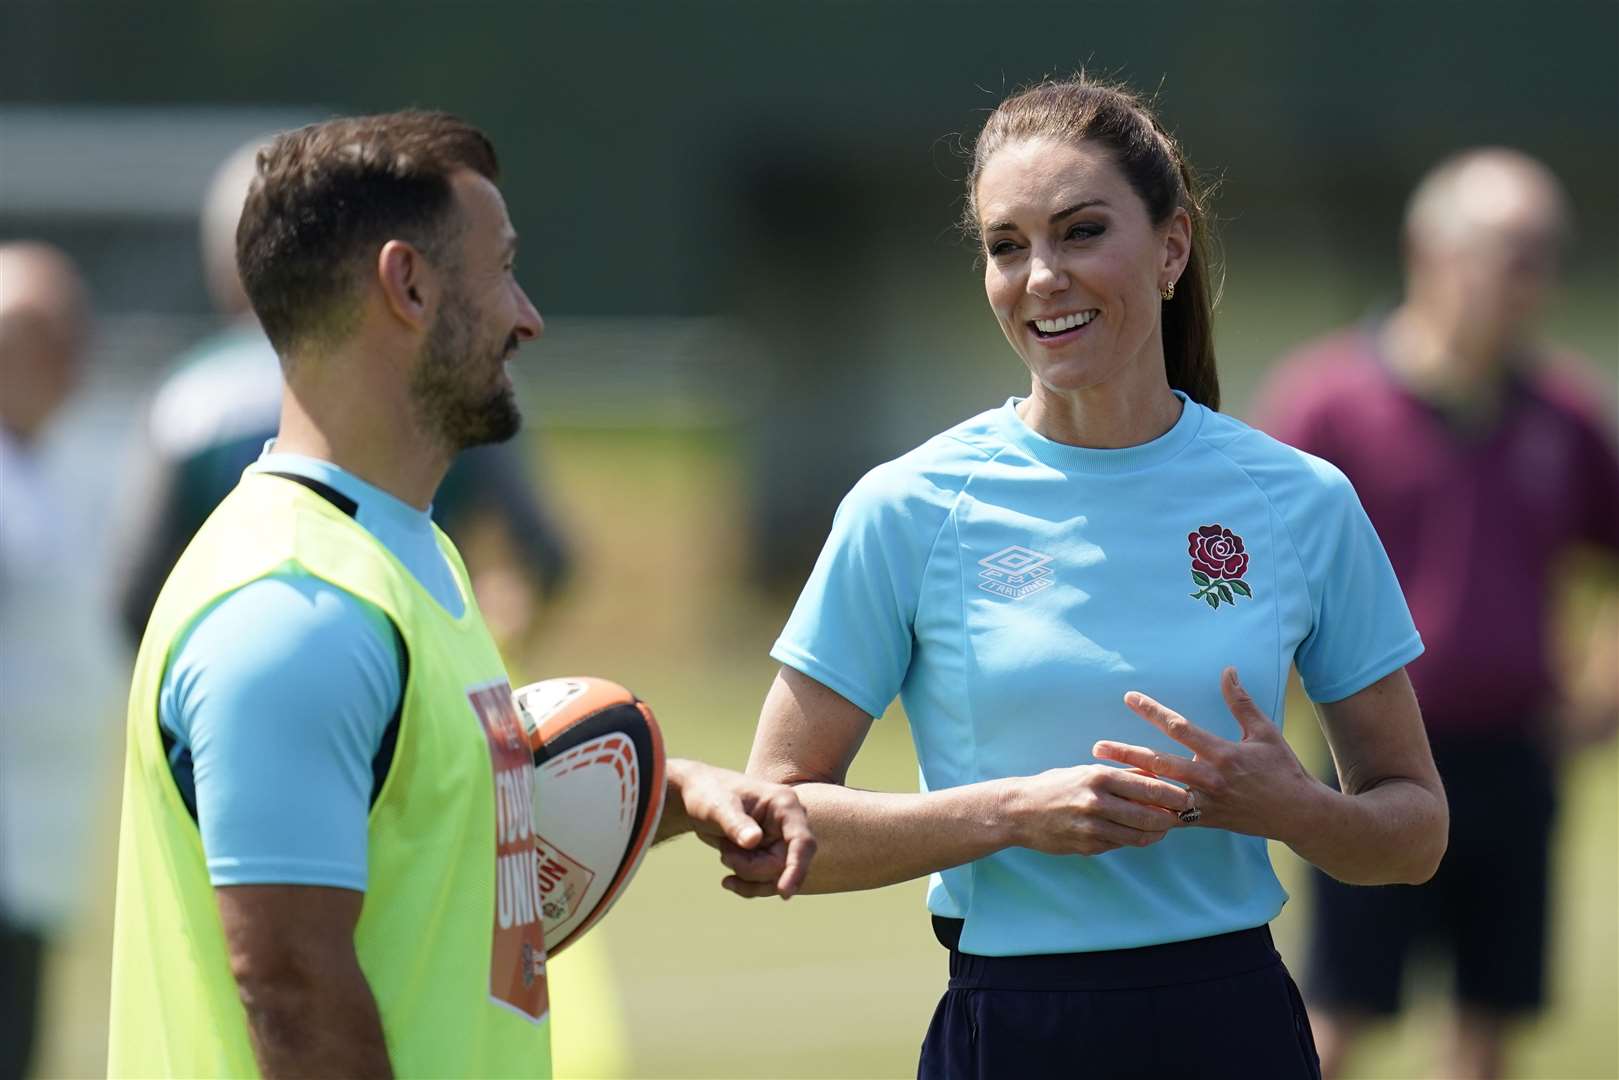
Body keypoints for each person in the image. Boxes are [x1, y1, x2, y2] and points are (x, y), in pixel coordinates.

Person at [738, 77, 1449, 1080]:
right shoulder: (907, 508)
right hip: (1013, 1032)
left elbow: (1412, 832)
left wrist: (1293, 808)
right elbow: (772, 824)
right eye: (1005, 246)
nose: (1040, 277)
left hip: (1234, 1024)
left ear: (1170, 248)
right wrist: (1008, 814)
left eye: (1077, 233)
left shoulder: (1299, 501)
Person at [107, 111, 814, 1078]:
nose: (528, 315)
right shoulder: (294, 607)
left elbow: (418, 819)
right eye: (503, 270)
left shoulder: (408, 556)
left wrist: (670, 792)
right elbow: (291, 991)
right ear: (407, 284)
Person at [1251, 148, 1619, 1080]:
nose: (1531, 280)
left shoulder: (1563, 412)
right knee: (1337, 1013)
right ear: (1430, 251)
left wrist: (1597, 691)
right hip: (1366, 759)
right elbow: (1250, 571)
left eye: (1544, 255)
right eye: (1511, 252)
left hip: (1512, 756)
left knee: (1490, 1024)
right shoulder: (1327, 401)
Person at [113, 139, 572, 652]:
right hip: (419, 657)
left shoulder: (193, 399)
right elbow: (546, 554)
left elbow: (135, 600)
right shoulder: (454, 373)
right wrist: (497, 626)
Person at [0, 242, 119, 1080]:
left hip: (37, 849)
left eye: (69, 332)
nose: (62, 355)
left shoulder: (64, 469)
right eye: (31, 334)